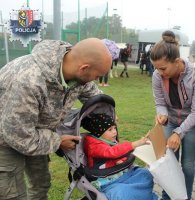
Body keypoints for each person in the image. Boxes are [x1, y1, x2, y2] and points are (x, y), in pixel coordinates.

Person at [0, 38, 112, 200]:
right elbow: (18, 136)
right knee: (13, 194)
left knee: (41, 183)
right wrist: (58, 141)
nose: (96, 79)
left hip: (37, 134)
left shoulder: (76, 73)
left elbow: (94, 95)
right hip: (5, 140)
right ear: (84, 68)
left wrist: (109, 112)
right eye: (97, 76)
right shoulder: (28, 81)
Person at [150, 30, 195, 200]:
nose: (160, 73)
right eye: (156, 68)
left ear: (176, 62)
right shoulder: (157, 76)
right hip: (171, 122)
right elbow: (160, 102)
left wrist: (178, 133)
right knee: (169, 163)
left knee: (187, 166)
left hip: (192, 124)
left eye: (163, 68)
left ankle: (184, 197)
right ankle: (168, 197)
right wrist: (162, 114)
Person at [82, 113, 158, 200]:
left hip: (121, 174)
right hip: (108, 181)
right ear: (99, 133)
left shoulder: (108, 140)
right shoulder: (94, 145)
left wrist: (119, 160)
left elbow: (116, 154)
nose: (115, 131)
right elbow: (111, 152)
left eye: (114, 128)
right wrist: (135, 144)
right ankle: (136, 194)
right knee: (121, 193)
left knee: (146, 174)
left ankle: (142, 196)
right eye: (110, 130)